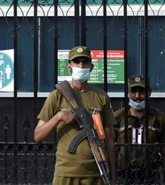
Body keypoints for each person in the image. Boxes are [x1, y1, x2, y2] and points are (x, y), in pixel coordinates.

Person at [34, 46, 117, 185]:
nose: (81, 65)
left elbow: (109, 140)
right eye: (76, 62)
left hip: (95, 172)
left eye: (85, 62)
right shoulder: (57, 96)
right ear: (69, 67)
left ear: (91, 67)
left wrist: (113, 178)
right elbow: (38, 136)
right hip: (66, 173)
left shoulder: (101, 97)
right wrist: (59, 116)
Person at [113, 74, 165, 184]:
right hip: (123, 177)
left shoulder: (159, 118)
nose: (138, 96)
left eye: (142, 91)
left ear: (149, 93)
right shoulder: (118, 117)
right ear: (128, 93)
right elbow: (110, 147)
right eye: (133, 91)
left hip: (150, 177)